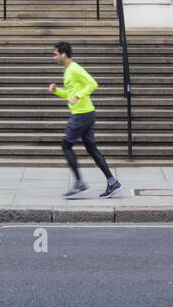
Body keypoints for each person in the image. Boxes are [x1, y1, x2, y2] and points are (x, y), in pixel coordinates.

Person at [49, 41, 121, 198]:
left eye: (55, 54)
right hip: (86, 112)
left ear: (63, 54)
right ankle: (112, 182)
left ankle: (80, 185)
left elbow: (93, 83)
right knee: (91, 149)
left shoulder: (75, 68)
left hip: (81, 114)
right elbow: (70, 95)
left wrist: (78, 96)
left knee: (66, 146)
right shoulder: (67, 71)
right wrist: (57, 91)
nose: (53, 57)